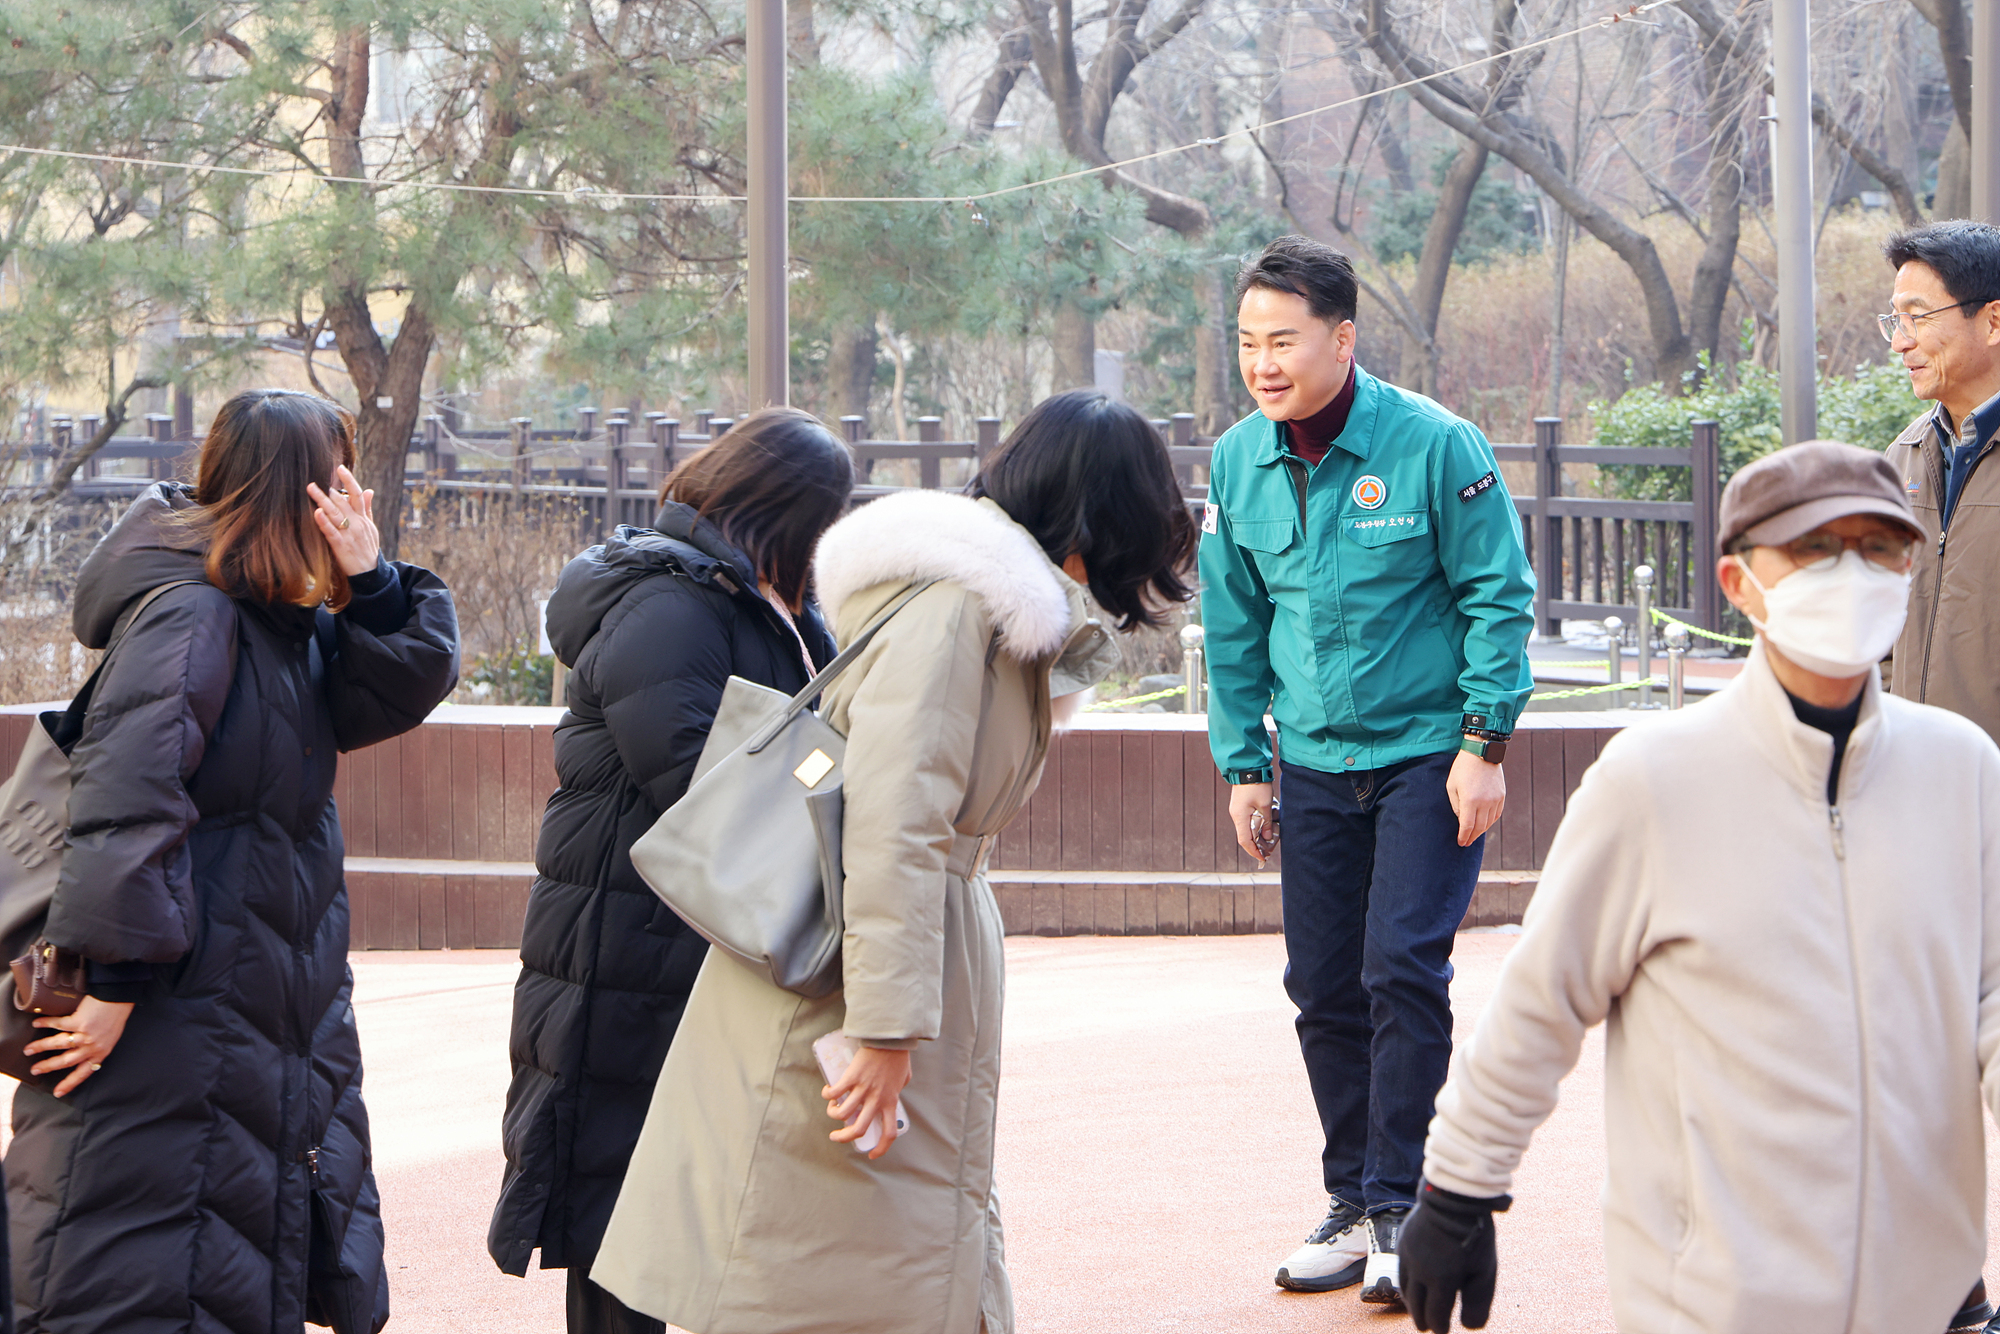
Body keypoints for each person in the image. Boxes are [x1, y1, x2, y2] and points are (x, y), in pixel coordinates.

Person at [587, 389, 1195, 1334]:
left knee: (877, 1262)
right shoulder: (956, 610)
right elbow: (895, 819)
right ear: (1100, 513)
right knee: (834, 1274)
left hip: (874, 967)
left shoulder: (977, 605)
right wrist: (883, 1028)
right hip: (854, 988)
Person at [1398, 441, 2000, 1334]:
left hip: (1928, 1294)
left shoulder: (1963, 769)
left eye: (1880, 548)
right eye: (1811, 549)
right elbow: (1542, 1000)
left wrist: (1942, 1259)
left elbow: (1991, 995)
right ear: (1737, 580)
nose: (1853, 574)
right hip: (1713, 1295)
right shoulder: (1655, 780)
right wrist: (1459, 1189)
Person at [6, 388, 459, 1333]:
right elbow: (129, 799)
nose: (352, 495)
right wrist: (116, 982)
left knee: (220, 1265)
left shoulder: (274, 618)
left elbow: (397, 686)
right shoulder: (197, 614)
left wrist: (372, 579)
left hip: (240, 1001)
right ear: (306, 488)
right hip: (175, 1011)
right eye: (339, 476)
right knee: (139, 1272)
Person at [1198, 234, 1534, 1305]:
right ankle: (1349, 1200)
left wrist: (1484, 746)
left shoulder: (1435, 446)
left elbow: (1497, 596)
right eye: (1247, 342)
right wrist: (1243, 763)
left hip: (1427, 756)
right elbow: (1233, 619)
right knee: (1319, 983)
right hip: (1310, 762)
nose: (1262, 362)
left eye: (1282, 340)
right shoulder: (1236, 459)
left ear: (1341, 337)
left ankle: (1402, 1203)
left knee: (1400, 966)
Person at [488, 407, 854, 1334]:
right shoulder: (670, 603)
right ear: (782, 510)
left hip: (690, 941)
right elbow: (694, 778)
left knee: (694, 1203)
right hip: (628, 947)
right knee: (626, 1212)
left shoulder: (762, 598)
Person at [1879, 220, 2000, 740]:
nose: (1899, 344)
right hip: (1910, 780)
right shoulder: (1902, 456)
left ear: (1993, 321)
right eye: (1894, 320)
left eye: (1918, 317)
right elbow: (1877, 625)